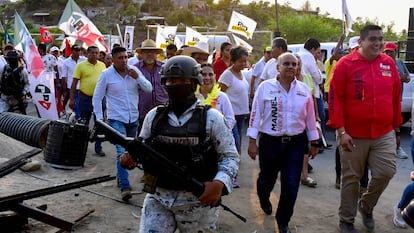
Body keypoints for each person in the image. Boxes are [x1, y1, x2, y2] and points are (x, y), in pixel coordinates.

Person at [123, 55, 239, 232]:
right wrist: (131, 158)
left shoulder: (212, 118)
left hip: (197, 201)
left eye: (182, 80)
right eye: (170, 81)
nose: (175, 85)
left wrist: (219, 183)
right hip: (158, 197)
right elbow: (142, 147)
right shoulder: (154, 116)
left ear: (194, 83)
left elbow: (229, 156)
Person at [328, 25, 402, 233]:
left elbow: (396, 98)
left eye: (380, 39)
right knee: (351, 178)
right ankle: (346, 219)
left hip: (383, 131)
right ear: (361, 42)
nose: (378, 43)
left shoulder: (388, 64)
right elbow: (334, 99)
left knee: (386, 172)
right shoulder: (345, 65)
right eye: (373, 39)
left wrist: (396, 130)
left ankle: (366, 206)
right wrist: (341, 131)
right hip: (352, 133)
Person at [247, 52, 319, 233]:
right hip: (270, 142)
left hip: (296, 143)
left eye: (294, 64)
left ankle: (283, 220)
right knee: (267, 179)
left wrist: (314, 141)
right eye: (286, 63)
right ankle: (263, 196)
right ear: (277, 67)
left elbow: (310, 118)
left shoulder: (303, 90)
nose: (291, 67)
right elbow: (255, 114)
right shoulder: (265, 87)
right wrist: (252, 141)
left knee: (291, 184)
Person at [93, 46, 152, 201]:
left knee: (132, 152)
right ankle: (125, 187)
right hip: (116, 118)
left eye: (126, 57)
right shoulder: (106, 75)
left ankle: (121, 177)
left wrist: (137, 77)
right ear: (113, 59)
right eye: (120, 58)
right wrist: (99, 119)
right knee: (121, 152)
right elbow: (97, 97)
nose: (124, 61)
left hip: (133, 119)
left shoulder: (133, 71)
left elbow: (149, 89)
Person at [69, 45, 107, 156]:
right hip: (85, 98)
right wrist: (72, 99)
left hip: (99, 99)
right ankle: (80, 146)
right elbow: (74, 84)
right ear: (87, 54)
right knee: (83, 122)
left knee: (99, 123)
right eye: (93, 53)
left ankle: (98, 148)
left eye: (97, 53)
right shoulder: (80, 66)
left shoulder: (102, 65)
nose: (95, 55)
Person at [218, 46, 250, 155]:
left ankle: (236, 158)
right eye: (241, 62)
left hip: (241, 113)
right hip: (231, 114)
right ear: (233, 61)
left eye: (245, 61)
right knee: (234, 140)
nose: (244, 64)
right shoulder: (227, 75)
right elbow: (219, 94)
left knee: (239, 138)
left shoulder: (242, 73)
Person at [383, 41, 411, 159]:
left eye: (391, 51)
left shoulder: (399, 62)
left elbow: (408, 78)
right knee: (385, 125)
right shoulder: (381, 62)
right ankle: (385, 150)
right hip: (384, 100)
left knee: (396, 125)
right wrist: (398, 78)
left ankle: (397, 148)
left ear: (395, 52)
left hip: (397, 99)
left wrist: (404, 78)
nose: (389, 54)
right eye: (387, 51)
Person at [298, 38, 325, 152]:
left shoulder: (299, 54)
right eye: (317, 52)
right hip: (312, 91)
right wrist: (320, 80)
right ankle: (317, 142)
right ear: (312, 49)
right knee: (318, 117)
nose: (318, 55)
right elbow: (317, 77)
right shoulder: (308, 56)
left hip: (303, 91)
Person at [134, 39, 168, 127]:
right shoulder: (135, 69)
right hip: (142, 112)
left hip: (163, 111)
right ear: (141, 54)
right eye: (146, 52)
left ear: (157, 54)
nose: (149, 54)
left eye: (152, 52)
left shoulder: (164, 68)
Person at [197, 63, 236, 138]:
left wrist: (222, 132)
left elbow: (230, 119)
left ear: (214, 76)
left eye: (210, 74)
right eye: (203, 74)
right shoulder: (193, 97)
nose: (207, 78)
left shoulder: (222, 97)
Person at [62, 44, 86, 119]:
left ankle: (78, 117)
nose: (78, 52)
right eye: (76, 50)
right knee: (76, 104)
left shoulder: (84, 60)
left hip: (82, 86)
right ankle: (78, 118)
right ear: (72, 51)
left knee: (81, 104)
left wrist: (84, 49)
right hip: (71, 87)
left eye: (79, 50)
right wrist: (64, 89)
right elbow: (63, 77)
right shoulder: (66, 62)